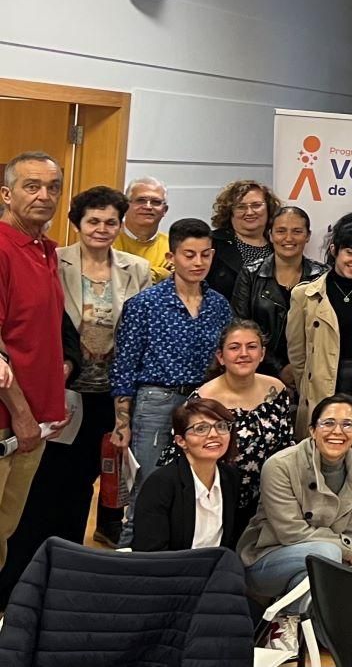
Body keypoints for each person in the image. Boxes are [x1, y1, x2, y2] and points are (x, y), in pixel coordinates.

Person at [111, 217, 232, 546]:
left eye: (205, 255)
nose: (198, 262)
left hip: (203, 402)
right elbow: (124, 365)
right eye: (189, 254)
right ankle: (130, 559)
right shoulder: (145, 304)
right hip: (156, 401)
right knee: (147, 486)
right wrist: (122, 420)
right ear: (172, 256)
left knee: (194, 486)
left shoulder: (220, 306)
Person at [239, 394, 352, 656]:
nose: (338, 431)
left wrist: (348, 549)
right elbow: (290, 531)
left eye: (348, 424)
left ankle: (285, 625)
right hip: (265, 561)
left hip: (316, 568)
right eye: (328, 423)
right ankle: (286, 625)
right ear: (312, 429)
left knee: (324, 568)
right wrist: (348, 551)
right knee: (326, 554)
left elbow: (351, 530)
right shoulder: (281, 465)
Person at [51, 186, 150, 547]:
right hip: (66, 388)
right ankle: (54, 549)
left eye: (111, 222)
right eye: (93, 221)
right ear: (77, 222)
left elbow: (139, 330)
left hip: (112, 392)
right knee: (60, 479)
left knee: (104, 476)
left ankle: (80, 553)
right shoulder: (55, 260)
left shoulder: (136, 268)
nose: (102, 228)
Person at [0, 152, 68, 573]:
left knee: (4, 533)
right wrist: (22, 416)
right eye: (31, 186)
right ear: (6, 194)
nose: (44, 195)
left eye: (53, 187)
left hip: (32, 424)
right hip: (9, 422)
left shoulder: (46, 250)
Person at [286, 213, 352, 426]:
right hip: (321, 386)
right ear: (334, 250)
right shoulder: (305, 294)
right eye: (350, 252)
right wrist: (309, 386)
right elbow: (298, 356)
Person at [178, 321, 295, 516]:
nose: (244, 354)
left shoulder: (276, 390)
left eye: (251, 347)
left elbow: (286, 444)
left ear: (262, 354)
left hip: (270, 498)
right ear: (221, 357)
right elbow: (187, 461)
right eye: (234, 348)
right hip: (217, 502)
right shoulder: (202, 401)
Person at [132, 397, 247, 552]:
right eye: (201, 429)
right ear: (181, 441)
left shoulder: (230, 477)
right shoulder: (161, 483)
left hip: (216, 569)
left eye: (221, 426)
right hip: (171, 571)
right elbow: (151, 552)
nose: (214, 434)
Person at [231, 206, 325, 382]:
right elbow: (240, 326)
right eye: (281, 231)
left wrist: (297, 366)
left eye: (297, 231)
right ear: (271, 235)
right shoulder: (250, 274)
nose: (288, 238)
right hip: (259, 373)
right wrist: (278, 368)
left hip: (312, 375)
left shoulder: (323, 276)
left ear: (308, 236)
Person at [203, 179, 277, 300]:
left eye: (256, 205)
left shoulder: (279, 244)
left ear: (268, 208)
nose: (249, 212)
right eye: (241, 207)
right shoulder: (212, 243)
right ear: (230, 212)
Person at [115, 177, 172, 281]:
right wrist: (162, 273)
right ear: (126, 206)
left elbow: (175, 282)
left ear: (164, 210)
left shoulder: (172, 245)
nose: (148, 207)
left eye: (156, 202)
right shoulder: (108, 240)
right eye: (141, 200)